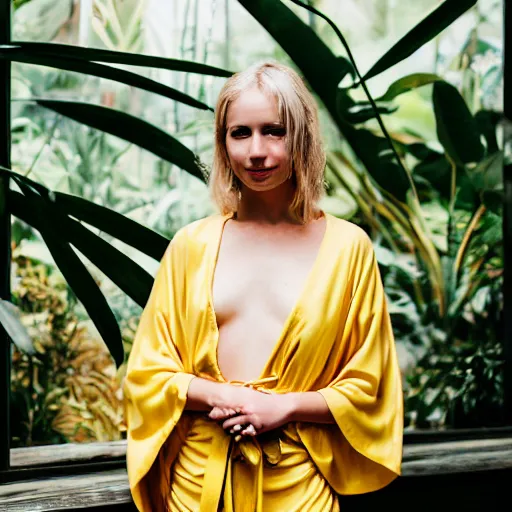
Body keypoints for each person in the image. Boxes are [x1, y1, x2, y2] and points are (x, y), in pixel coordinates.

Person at [123, 61, 403, 512]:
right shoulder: (191, 246)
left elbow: (369, 385)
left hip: (299, 486)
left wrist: (285, 408)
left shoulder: (349, 248)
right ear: (222, 141)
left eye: (275, 131)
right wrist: (222, 394)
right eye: (240, 133)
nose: (257, 151)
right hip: (197, 488)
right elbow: (147, 375)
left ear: (303, 137)